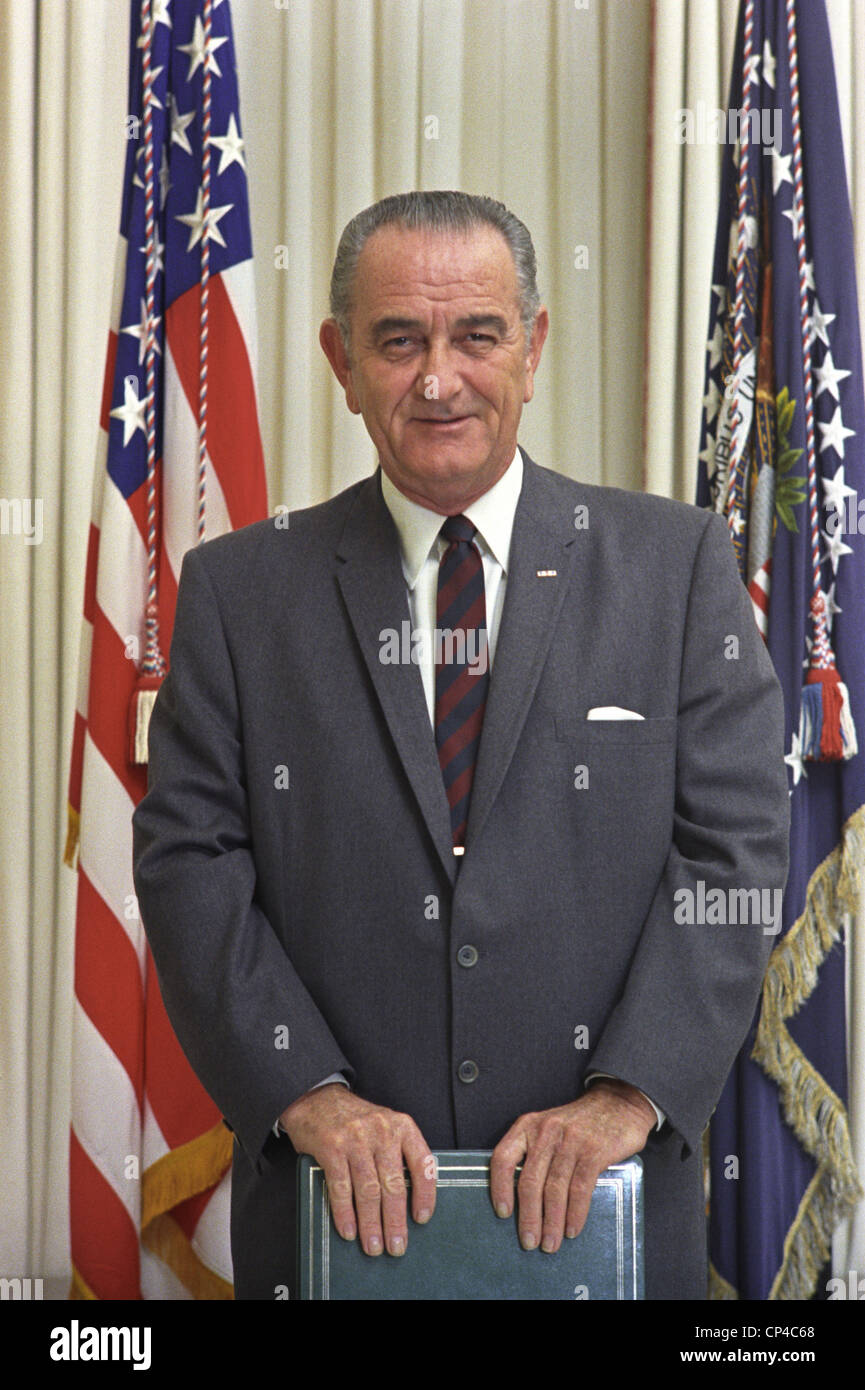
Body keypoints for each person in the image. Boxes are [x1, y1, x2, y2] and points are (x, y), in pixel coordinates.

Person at [132, 190, 789, 1300]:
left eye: (476, 335)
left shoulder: (676, 568)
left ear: (531, 347)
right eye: (399, 341)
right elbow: (189, 863)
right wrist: (307, 1093)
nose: (439, 379)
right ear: (343, 362)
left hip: (607, 1222)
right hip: (330, 1222)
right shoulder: (240, 593)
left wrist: (627, 1094)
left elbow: (733, 857)